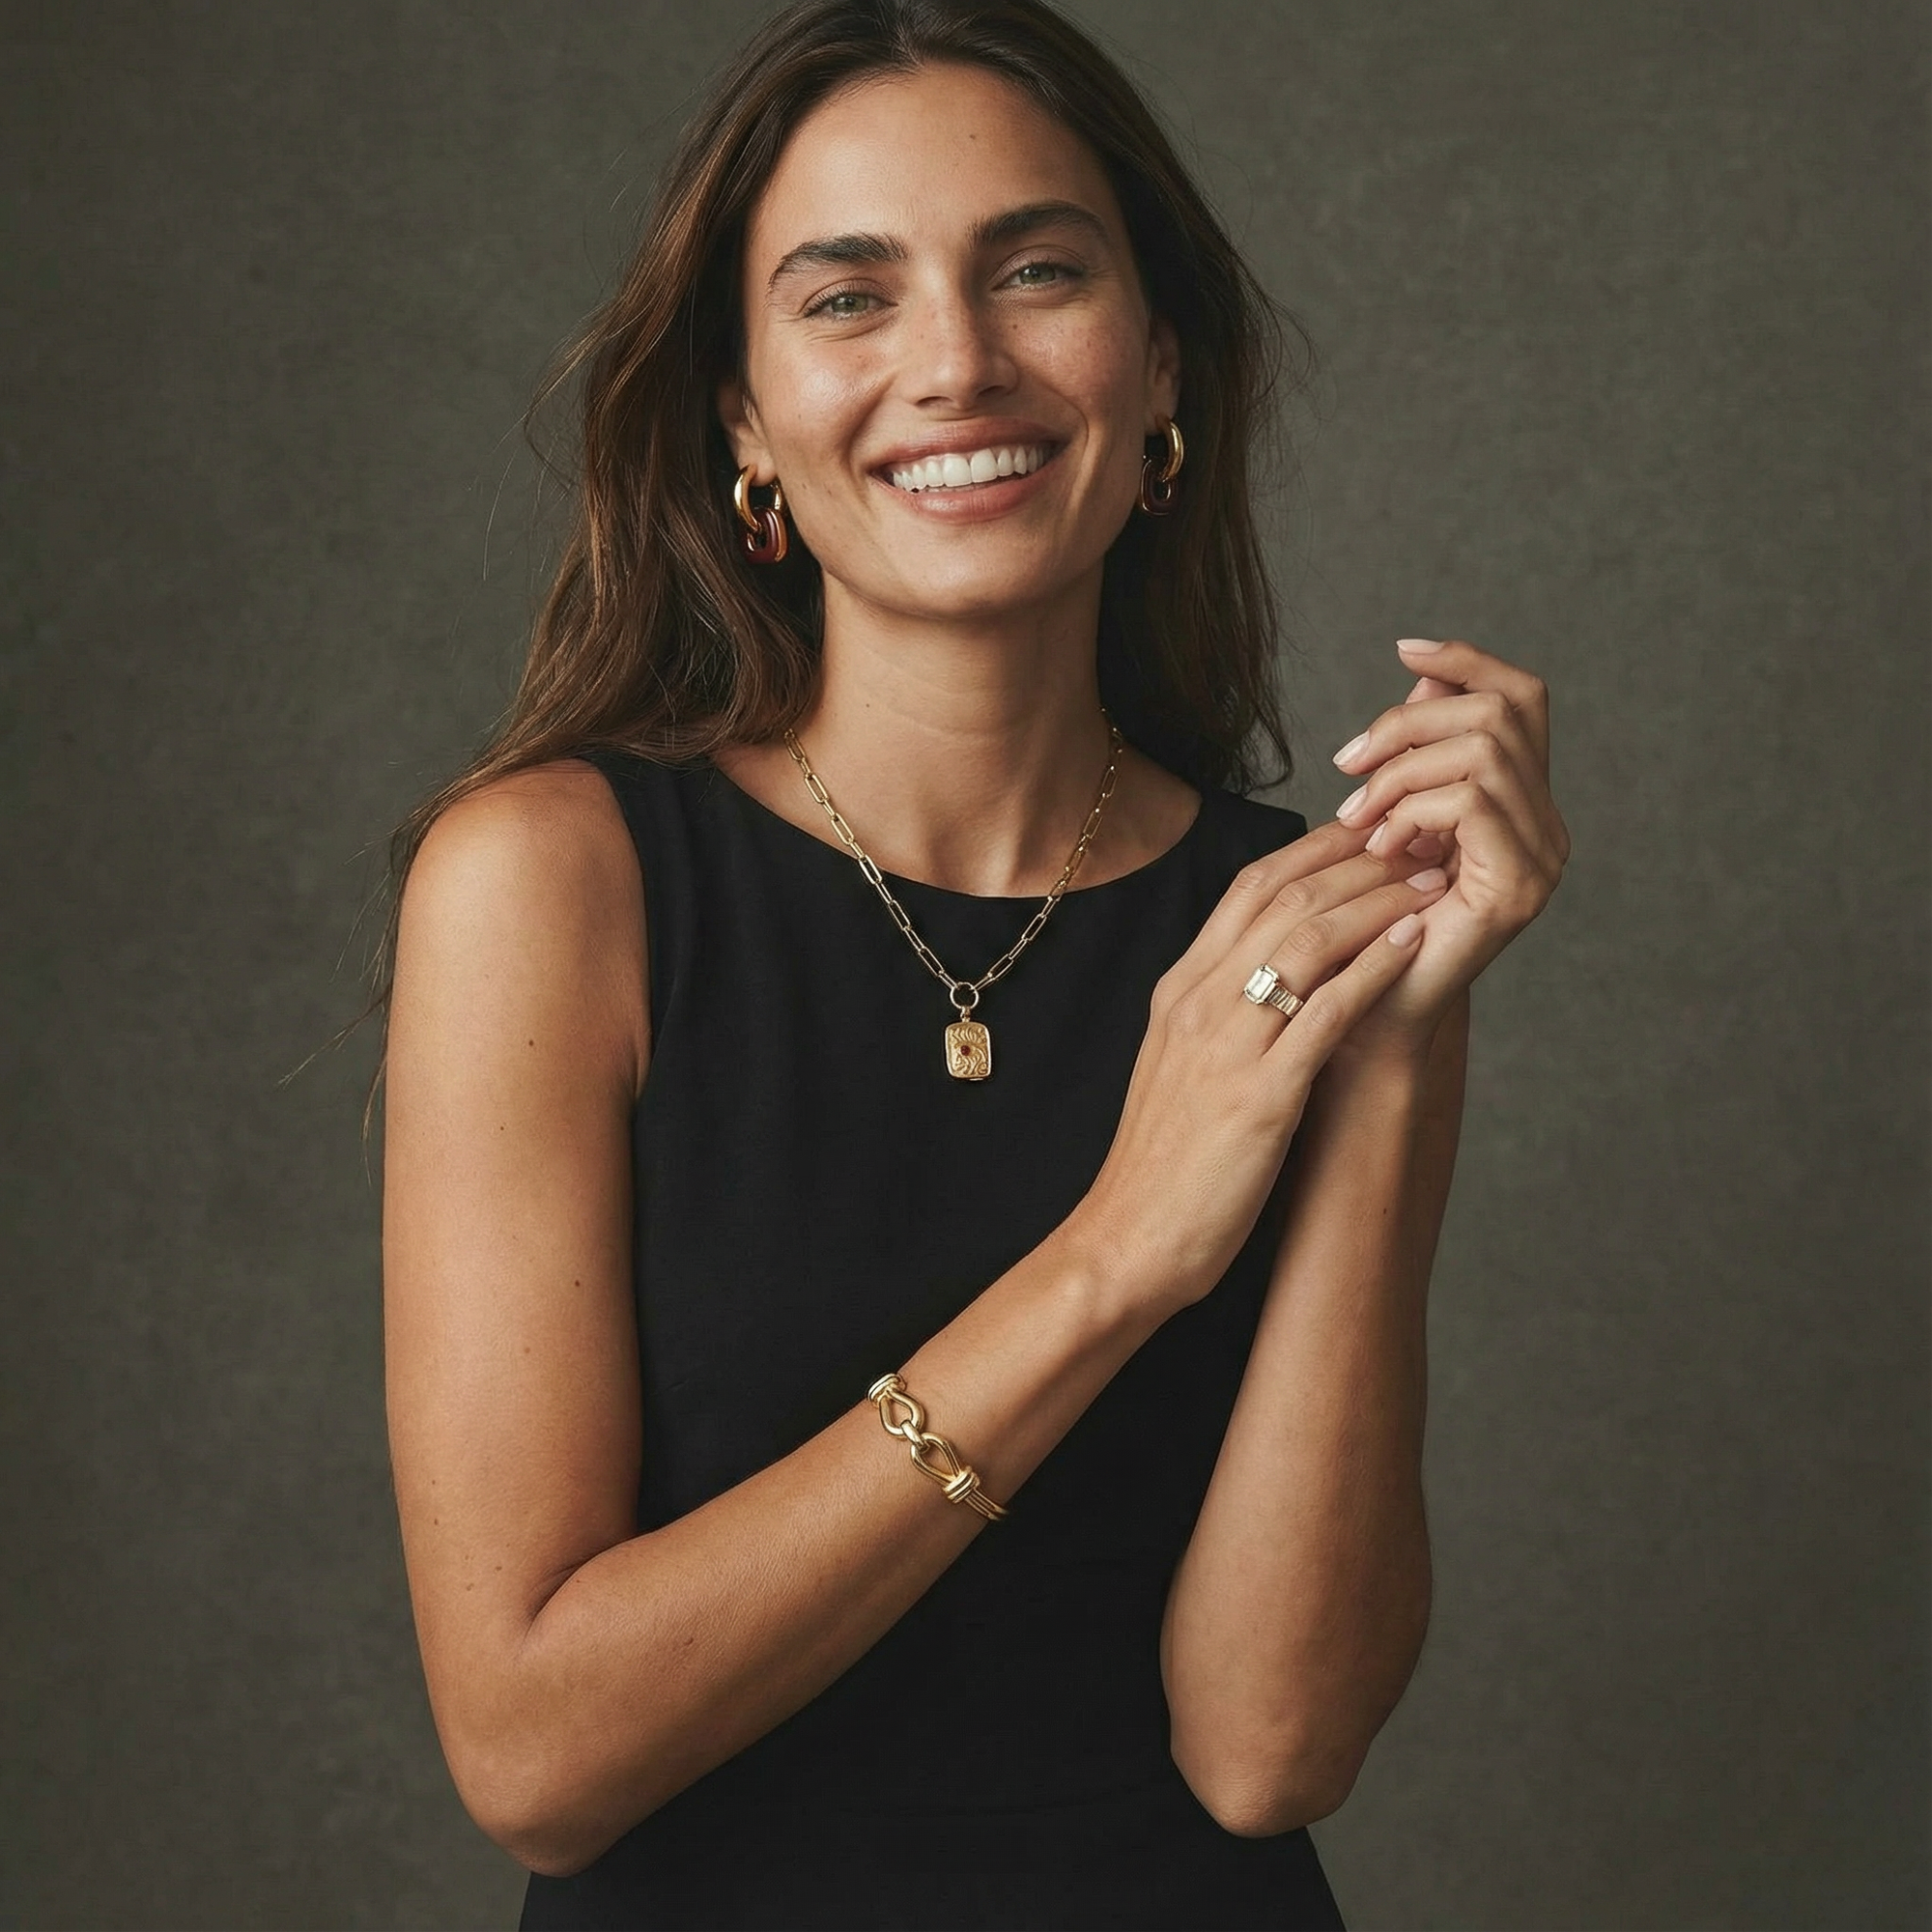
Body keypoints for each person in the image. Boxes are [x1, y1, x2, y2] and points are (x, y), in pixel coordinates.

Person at [377, 1, 1569, 1926]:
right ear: (745, 423)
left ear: (1157, 362)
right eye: (847, 299)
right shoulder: (551, 881)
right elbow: (540, 1759)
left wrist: (1400, 1051)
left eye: (1035, 271)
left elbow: (1265, 1748)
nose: (955, 362)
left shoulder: (1308, 921)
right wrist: (1112, 1259)